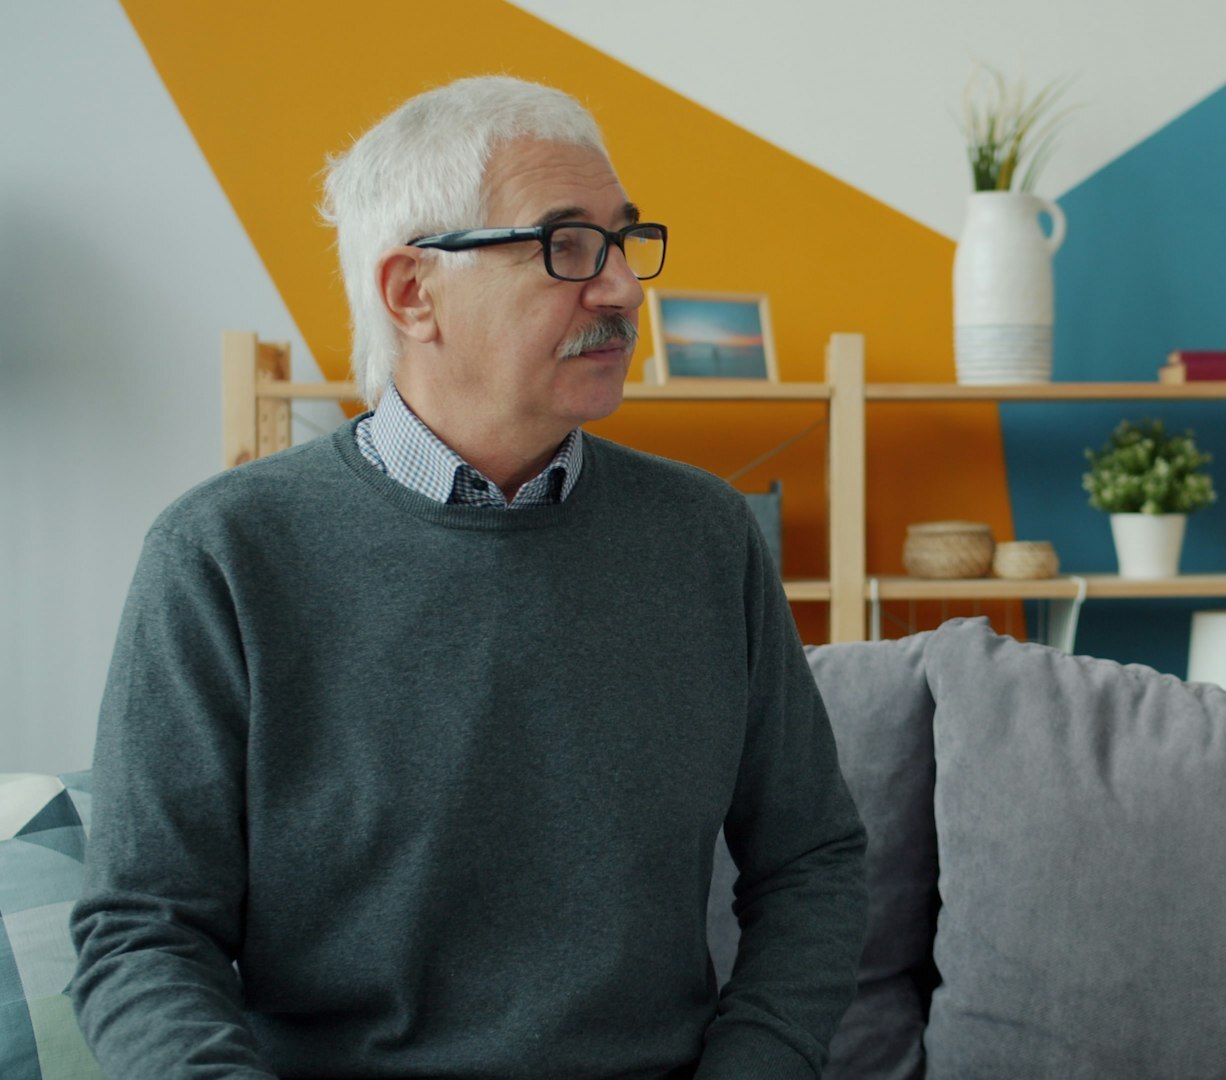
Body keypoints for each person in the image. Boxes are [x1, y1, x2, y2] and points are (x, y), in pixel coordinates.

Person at [69, 75, 867, 1079]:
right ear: (413, 292)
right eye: (567, 245)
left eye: (624, 241)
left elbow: (812, 863)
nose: (623, 287)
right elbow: (142, 937)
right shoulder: (220, 555)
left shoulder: (706, 535)